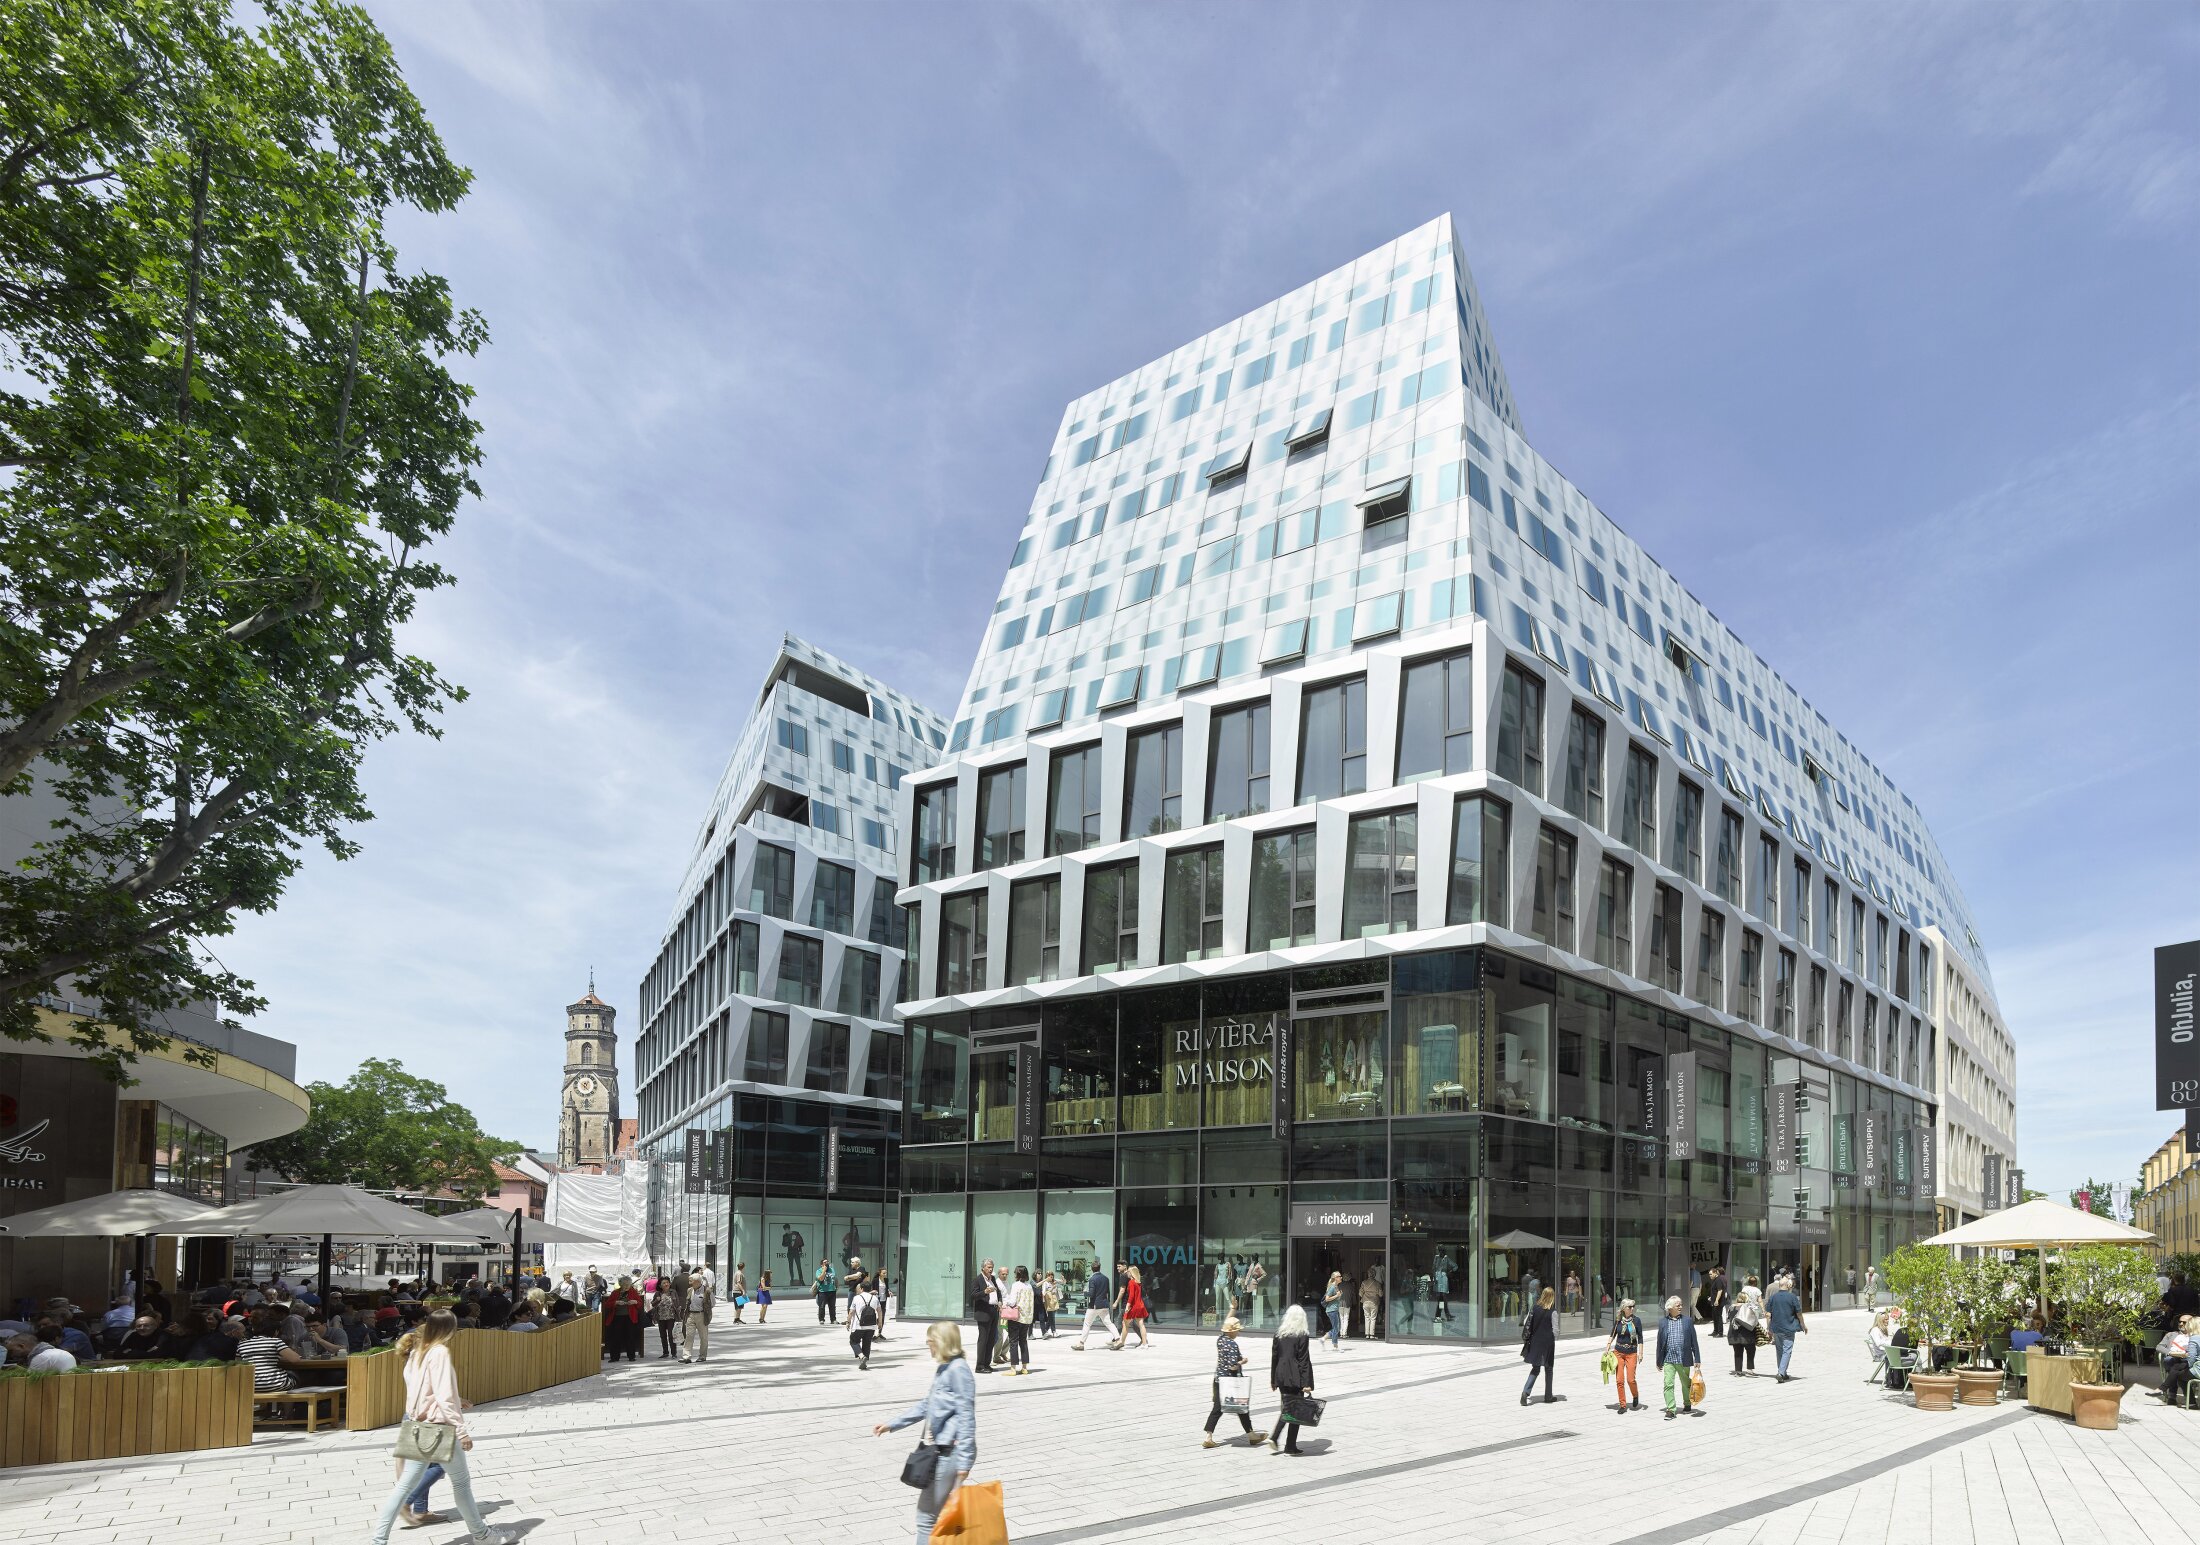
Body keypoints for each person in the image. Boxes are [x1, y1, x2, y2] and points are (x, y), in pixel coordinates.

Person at [367, 1309, 518, 1545]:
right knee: (459, 1483)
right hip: (437, 1428)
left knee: (405, 1487)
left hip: (418, 1423)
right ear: (450, 1329)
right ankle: (482, 1536)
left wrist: (458, 1400)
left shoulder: (417, 1351)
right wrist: (461, 1430)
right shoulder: (439, 1352)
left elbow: (422, 1391)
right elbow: (443, 1395)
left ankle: (378, 1540)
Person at [874, 1322, 976, 1545]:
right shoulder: (945, 1368)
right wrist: (893, 1424)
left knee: (926, 1516)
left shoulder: (958, 1370)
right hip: (939, 1451)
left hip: (950, 1454)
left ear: (941, 1343)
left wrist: (964, 1464)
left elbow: (967, 1416)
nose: (928, 1346)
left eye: (930, 1342)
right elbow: (927, 1404)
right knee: (933, 1515)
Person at [1264, 1304, 1317, 1455]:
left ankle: (1290, 1445)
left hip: (1281, 1375)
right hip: (1295, 1377)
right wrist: (1306, 1383)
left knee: (1289, 1407)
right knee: (1293, 1409)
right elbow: (1303, 1360)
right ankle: (1277, 1438)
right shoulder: (1302, 1335)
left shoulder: (1279, 1334)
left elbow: (1274, 1357)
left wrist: (1273, 1379)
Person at [1202, 1314, 1255, 1447]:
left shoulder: (1220, 1340)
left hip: (1218, 1379)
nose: (1239, 1332)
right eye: (1237, 1330)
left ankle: (1251, 1435)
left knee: (1221, 1409)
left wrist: (1232, 1309)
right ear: (1232, 1331)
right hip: (1230, 1382)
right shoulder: (1232, 1344)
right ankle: (1208, 1437)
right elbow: (1232, 1366)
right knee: (1241, 1408)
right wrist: (1243, 1361)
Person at [1656, 1295, 1704, 1420]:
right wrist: (1658, 1360)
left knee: (1686, 1383)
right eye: (1678, 1305)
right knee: (1668, 1384)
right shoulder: (1663, 1322)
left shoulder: (1687, 1321)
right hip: (1668, 1359)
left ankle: (1687, 1403)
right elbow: (1659, 1343)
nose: (1681, 1307)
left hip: (1683, 1359)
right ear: (1670, 1308)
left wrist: (1697, 1359)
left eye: (1681, 1305)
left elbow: (1694, 1341)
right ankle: (1671, 1409)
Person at [238, 1307, 305, 1393]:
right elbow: (295, 1359)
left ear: (254, 1329)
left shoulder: (242, 1344)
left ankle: (265, 1406)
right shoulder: (275, 1341)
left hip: (250, 1385)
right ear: (276, 1332)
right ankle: (289, 1406)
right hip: (276, 1384)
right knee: (294, 1375)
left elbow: (238, 1364)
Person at [1766, 1272, 1807, 1382]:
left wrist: (1768, 1329)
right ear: (1788, 1286)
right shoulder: (1792, 1297)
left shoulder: (1773, 1297)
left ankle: (1783, 1372)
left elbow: (1768, 1314)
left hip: (1776, 1328)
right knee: (1787, 1350)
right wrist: (1803, 1325)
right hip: (1788, 1327)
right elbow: (1799, 1313)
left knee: (1779, 1350)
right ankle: (1781, 1372)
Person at [1520, 1286, 1557, 1405]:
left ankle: (1525, 1393)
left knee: (1535, 1368)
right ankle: (1548, 1396)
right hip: (1547, 1343)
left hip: (1535, 1342)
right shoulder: (1553, 1311)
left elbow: (1527, 1323)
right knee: (1549, 1369)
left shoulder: (1534, 1308)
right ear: (1552, 1297)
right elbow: (1556, 1331)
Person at [1607, 1297, 1645, 1414]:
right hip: (1618, 1352)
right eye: (1630, 1307)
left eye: (1633, 1306)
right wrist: (1608, 1346)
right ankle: (1622, 1405)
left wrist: (1640, 1353)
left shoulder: (1636, 1321)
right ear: (1624, 1308)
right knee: (1619, 1380)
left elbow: (1640, 1338)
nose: (1632, 1308)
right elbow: (1613, 1333)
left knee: (1630, 1379)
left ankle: (1635, 1395)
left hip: (1631, 1353)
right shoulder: (1618, 1320)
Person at [970, 1259, 1004, 1373]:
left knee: (991, 1339)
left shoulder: (993, 1279)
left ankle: (986, 1364)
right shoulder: (977, 1280)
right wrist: (985, 1292)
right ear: (983, 1268)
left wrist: (999, 1302)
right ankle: (979, 1366)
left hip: (994, 1311)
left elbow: (998, 1292)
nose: (991, 1269)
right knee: (983, 1339)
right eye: (989, 1267)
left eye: (992, 1267)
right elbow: (973, 1295)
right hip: (984, 1313)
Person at [602, 1276, 644, 1362]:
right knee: (616, 1337)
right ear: (621, 1284)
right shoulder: (615, 1293)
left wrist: (635, 1302)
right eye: (625, 1285)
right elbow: (607, 1304)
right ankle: (614, 1357)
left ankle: (631, 1356)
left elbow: (640, 1303)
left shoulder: (633, 1292)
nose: (627, 1286)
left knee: (630, 1337)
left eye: (628, 1284)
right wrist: (616, 1302)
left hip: (630, 1317)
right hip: (617, 1317)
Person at [1075, 1261, 1115, 1349]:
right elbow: (1108, 1292)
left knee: (1087, 1323)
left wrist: (1085, 1293)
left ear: (1091, 1269)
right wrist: (1107, 1302)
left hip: (1094, 1305)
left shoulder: (1092, 1279)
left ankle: (1081, 1343)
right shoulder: (1106, 1278)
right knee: (1108, 1323)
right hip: (1104, 1304)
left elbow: (1092, 1294)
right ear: (1099, 1268)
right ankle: (1118, 1338)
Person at [1729, 1274, 1764, 1376]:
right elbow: (1753, 1321)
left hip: (1735, 1335)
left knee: (1738, 1353)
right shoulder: (1749, 1308)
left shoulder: (1732, 1308)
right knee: (1750, 1351)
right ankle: (1749, 1370)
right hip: (1747, 1335)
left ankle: (1738, 1371)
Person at [1003, 1265, 1034, 1376]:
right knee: (1023, 1342)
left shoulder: (1016, 1285)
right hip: (1026, 1318)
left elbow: (1012, 1302)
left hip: (1016, 1317)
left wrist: (1005, 1302)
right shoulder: (1029, 1286)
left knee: (1013, 1342)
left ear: (1018, 1274)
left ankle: (1013, 1369)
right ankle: (1024, 1367)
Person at [848, 1274, 882, 1370]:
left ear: (861, 1288)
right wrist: (880, 1323)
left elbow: (851, 1312)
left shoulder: (856, 1298)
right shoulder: (875, 1298)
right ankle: (864, 1362)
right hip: (871, 1326)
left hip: (858, 1326)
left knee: (853, 1341)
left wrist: (848, 1322)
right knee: (867, 1343)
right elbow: (879, 1311)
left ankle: (862, 1356)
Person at [1114, 1265, 1150, 1349]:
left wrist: (1127, 1306)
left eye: (1129, 1271)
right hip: (1140, 1305)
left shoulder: (1131, 1282)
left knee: (1125, 1324)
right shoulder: (1138, 1282)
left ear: (1132, 1273)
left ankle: (1121, 1343)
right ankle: (1145, 1344)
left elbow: (1131, 1296)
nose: (1127, 1273)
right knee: (1141, 1325)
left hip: (1133, 1307)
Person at [9, 1328, 76, 1372]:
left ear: (21, 1346)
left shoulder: (40, 1357)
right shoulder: (56, 1352)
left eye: (11, 1351)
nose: (12, 1355)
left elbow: (30, 1382)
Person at [682, 1273, 713, 1363]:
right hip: (690, 1315)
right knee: (689, 1336)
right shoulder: (689, 1290)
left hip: (702, 1315)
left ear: (697, 1281)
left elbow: (713, 1303)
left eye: (691, 1280)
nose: (689, 1282)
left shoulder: (707, 1291)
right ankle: (686, 1356)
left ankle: (702, 1356)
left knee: (703, 1337)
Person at [651, 1281, 679, 1357]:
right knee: (663, 1335)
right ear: (660, 1285)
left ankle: (674, 1353)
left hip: (671, 1317)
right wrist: (657, 1300)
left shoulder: (673, 1292)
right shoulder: (657, 1293)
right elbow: (653, 1304)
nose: (666, 1284)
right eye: (664, 1283)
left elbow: (677, 1303)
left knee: (671, 1335)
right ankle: (665, 1352)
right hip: (660, 1317)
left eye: (667, 1282)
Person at [1322, 1270, 1346, 1349]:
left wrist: (1339, 1295)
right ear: (1335, 1278)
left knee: (1336, 1328)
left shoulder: (1336, 1286)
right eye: (1339, 1276)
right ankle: (1334, 1345)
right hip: (1331, 1310)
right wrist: (1337, 1296)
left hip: (1334, 1310)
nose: (1341, 1277)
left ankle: (1327, 1340)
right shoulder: (1332, 1287)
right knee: (1336, 1328)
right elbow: (1327, 1299)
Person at [1358, 1266, 1383, 1341]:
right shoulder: (1378, 1283)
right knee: (1373, 1318)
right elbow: (1381, 1294)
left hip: (1365, 1302)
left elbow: (1360, 1294)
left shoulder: (1364, 1282)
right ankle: (1372, 1334)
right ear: (1374, 1275)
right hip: (1374, 1302)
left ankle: (1367, 1334)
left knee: (1367, 1317)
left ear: (1368, 1274)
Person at [814, 1259, 839, 1324]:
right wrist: (824, 1271)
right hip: (823, 1291)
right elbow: (820, 1278)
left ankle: (833, 1319)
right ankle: (821, 1319)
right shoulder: (818, 1271)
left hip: (832, 1290)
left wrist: (836, 1287)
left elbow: (835, 1278)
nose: (827, 1263)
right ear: (821, 1264)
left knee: (832, 1306)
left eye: (827, 1262)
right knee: (822, 1306)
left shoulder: (832, 1270)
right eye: (825, 1262)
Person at [1039, 1271, 1060, 1339]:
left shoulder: (1054, 1281)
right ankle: (1054, 1331)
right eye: (1049, 1275)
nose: (1051, 1276)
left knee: (1051, 1317)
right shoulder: (1045, 1283)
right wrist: (1051, 1289)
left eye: (1052, 1275)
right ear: (1047, 1276)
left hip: (1054, 1300)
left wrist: (1063, 1279)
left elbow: (1063, 1282)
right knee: (1052, 1316)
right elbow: (1044, 1292)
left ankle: (1045, 1330)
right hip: (1049, 1301)